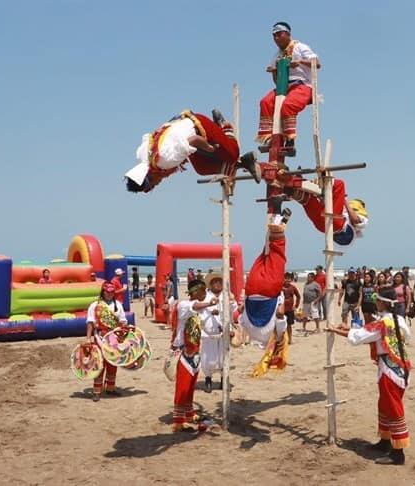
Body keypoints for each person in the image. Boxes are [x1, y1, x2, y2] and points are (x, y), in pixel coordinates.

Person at [326, 286, 412, 465]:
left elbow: (359, 336)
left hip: (390, 369)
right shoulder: (399, 319)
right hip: (400, 366)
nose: (376, 303)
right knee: (385, 404)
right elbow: (371, 333)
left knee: (393, 407)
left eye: (378, 301)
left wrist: (335, 330)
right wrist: (348, 328)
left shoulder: (382, 323)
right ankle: (385, 441)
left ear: (383, 303)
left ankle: (398, 452)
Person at [124, 109, 260, 193]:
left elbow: (194, 140)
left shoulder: (165, 161)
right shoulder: (144, 158)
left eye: (152, 185)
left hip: (200, 127)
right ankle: (244, 162)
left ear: (150, 177)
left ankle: (224, 127)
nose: (156, 185)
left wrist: (209, 148)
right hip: (186, 136)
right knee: (202, 168)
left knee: (232, 154)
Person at [239, 207, 292, 376]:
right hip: (251, 288)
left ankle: (280, 222)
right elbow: (239, 315)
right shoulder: (252, 333)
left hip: (268, 290)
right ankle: (276, 219)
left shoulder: (276, 334)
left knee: (277, 254)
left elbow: (280, 312)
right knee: (265, 254)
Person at [257, 21, 320, 155]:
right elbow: (276, 81)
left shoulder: (300, 47)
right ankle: (270, 139)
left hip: (302, 85)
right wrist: (275, 71)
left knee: (288, 105)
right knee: (265, 102)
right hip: (284, 87)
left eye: (279, 34)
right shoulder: (277, 55)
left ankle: (290, 140)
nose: (276, 38)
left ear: (288, 34)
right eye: (274, 36)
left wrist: (300, 62)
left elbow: (317, 63)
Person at [171, 279, 219, 431]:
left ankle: (189, 413)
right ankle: (178, 420)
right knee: (183, 386)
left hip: (195, 352)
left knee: (191, 385)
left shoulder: (199, 310)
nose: (205, 294)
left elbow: (210, 326)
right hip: (183, 352)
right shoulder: (183, 305)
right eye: (203, 291)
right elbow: (196, 306)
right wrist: (209, 304)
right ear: (195, 292)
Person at [85, 281, 129, 401]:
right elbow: (90, 323)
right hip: (100, 337)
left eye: (111, 292)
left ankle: (110, 388)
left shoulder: (118, 305)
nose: (109, 294)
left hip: (114, 337)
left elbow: (123, 321)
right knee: (99, 363)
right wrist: (88, 338)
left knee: (113, 362)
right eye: (107, 292)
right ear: (103, 291)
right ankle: (97, 391)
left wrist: (123, 335)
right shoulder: (95, 305)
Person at [199, 272, 238, 392]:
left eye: (219, 282)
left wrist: (231, 302)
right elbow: (199, 311)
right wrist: (211, 312)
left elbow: (233, 310)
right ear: (210, 284)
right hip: (208, 332)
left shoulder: (226, 295)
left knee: (224, 357)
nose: (217, 284)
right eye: (214, 282)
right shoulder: (205, 296)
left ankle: (223, 381)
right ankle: (208, 380)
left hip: (224, 332)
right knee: (207, 357)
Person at [281, 272, 301, 343]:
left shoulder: (293, 287)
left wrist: (296, 306)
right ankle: (282, 340)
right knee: (281, 325)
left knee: (289, 325)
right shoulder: (280, 287)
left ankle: (290, 339)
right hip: (281, 309)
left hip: (290, 309)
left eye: (289, 279)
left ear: (291, 279)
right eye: (286, 278)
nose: (287, 280)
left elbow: (298, 296)